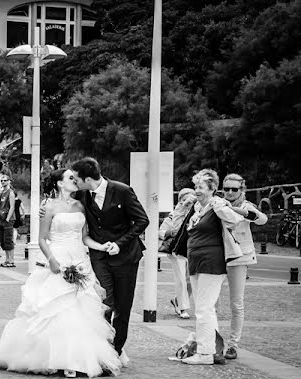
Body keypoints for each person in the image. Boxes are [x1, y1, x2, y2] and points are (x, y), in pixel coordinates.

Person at [0, 169, 123, 378]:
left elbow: (84, 237)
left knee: (83, 310)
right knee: (56, 308)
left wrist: (102, 247)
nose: (74, 180)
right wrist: (52, 260)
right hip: (57, 256)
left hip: (79, 258)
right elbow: (42, 238)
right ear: (59, 183)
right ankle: (56, 358)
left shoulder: (80, 206)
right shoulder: (48, 207)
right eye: (69, 178)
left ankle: (78, 358)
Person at [71, 157, 150, 365]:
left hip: (125, 257)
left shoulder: (122, 190)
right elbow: (61, 198)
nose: (75, 182)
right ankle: (102, 351)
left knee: (123, 307)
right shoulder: (81, 194)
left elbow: (143, 220)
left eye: (77, 179)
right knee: (104, 303)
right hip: (99, 257)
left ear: (88, 179)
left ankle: (116, 349)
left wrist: (120, 243)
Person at [181, 169, 244, 366]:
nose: (197, 191)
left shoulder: (217, 205)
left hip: (211, 262)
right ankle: (215, 350)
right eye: (195, 187)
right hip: (196, 261)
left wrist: (219, 206)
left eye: (201, 187)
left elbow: (235, 220)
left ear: (212, 189)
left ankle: (205, 353)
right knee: (204, 308)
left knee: (204, 308)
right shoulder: (198, 209)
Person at [221, 173, 267, 360]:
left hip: (239, 257)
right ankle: (212, 342)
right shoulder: (216, 203)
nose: (230, 192)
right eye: (227, 189)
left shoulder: (246, 206)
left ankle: (233, 345)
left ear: (242, 190)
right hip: (218, 255)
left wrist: (235, 210)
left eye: (235, 189)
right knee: (210, 304)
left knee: (236, 303)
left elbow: (261, 219)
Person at [158, 188, 196, 320]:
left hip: (191, 249)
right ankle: (182, 307)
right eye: (184, 200)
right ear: (180, 201)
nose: (187, 203)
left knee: (191, 279)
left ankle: (177, 300)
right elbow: (161, 232)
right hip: (176, 250)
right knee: (180, 279)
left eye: (190, 199)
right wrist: (169, 232)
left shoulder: (197, 214)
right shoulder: (174, 214)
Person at [0, 174, 17, 268]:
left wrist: (8, 218)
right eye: (2, 181)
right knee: (3, 241)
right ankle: (7, 259)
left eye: (5, 180)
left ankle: (11, 260)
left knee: (8, 240)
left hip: (8, 219)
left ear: (8, 181)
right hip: (1, 218)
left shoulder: (10, 192)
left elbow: (12, 206)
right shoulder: (1, 192)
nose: (3, 182)